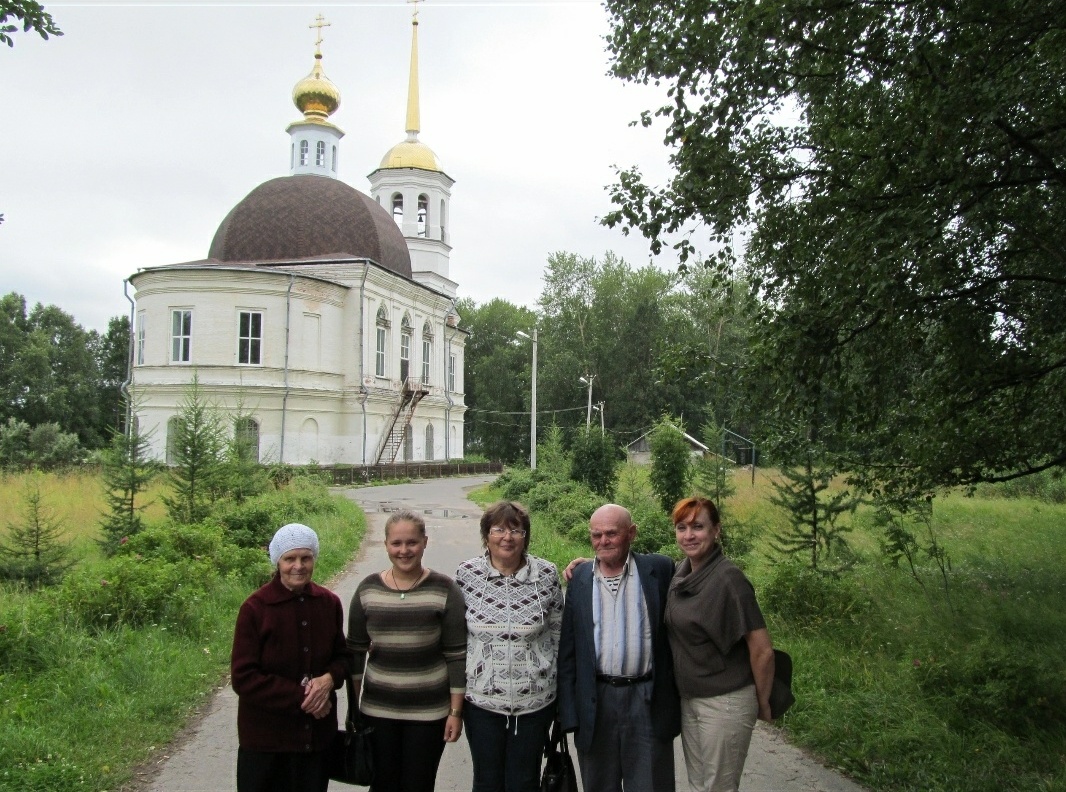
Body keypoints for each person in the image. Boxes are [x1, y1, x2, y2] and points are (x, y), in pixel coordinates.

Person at [557, 504, 680, 792]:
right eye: (596, 535)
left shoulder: (660, 570)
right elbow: (568, 654)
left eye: (611, 533)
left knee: (650, 784)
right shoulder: (581, 580)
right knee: (599, 785)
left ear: (631, 533)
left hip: (647, 698)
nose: (603, 541)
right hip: (596, 702)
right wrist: (569, 714)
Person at [347, 510, 467, 792]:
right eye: (396, 543)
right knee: (382, 785)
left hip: (429, 715)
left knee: (419, 785)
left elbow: (456, 655)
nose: (404, 550)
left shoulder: (444, 589)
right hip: (377, 712)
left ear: (425, 542)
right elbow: (355, 653)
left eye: (411, 543)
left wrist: (455, 712)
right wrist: (354, 709)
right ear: (386, 544)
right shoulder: (367, 590)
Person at [231, 522, 352, 792]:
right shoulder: (255, 609)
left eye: (306, 558)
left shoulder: (328, 603)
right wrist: (306, 698)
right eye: (290, 559)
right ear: (278, 561)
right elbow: (244, 678)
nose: (298, 566)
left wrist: (329, 679)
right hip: (266, 745)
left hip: (315, 742)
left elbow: (343, 657)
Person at [667, 496, 775, 792]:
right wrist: (594, 564)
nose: (689, 535)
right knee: (700, 784)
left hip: (725, 702)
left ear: (716, 531)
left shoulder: (730, 579)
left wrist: (761, 703)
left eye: (698, 527)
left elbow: (762, 650)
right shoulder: (682, 572)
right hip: (691, 699)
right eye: (681, 527)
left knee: (718, 788)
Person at [454, 501, 564, 792]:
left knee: (524, 781)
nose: (507, 537)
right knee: (487, 780)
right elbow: (454, 639)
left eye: (516, 530)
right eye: (499, 529)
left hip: (535, 703)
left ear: (525, 536)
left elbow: (558, 635)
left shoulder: (546, 575)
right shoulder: (466, 575)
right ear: (486, 536)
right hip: (481, 702)